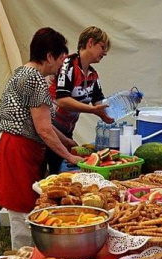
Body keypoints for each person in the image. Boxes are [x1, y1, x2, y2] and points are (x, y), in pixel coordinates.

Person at [0, 27, 82, 249]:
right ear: (50, 56)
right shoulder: (35, 80)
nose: (61, 65)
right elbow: (43, 130)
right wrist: (69, 156)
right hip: (15, 148)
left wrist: (68, 141)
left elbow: (43, 123)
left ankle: (29, 255)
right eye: (60, 59)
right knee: (22, 213)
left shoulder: (24, 72)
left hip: (14, 144)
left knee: (26, 208)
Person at [48, 26, 114, 173]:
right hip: (50, 128)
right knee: (50, 173)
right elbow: (62, 100)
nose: (105, 53)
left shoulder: (92, 74)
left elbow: (99, 102)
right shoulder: (68, 64)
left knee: (59, 172)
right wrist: (92, 110)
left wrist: (118, 108)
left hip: (67, 130)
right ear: (90, 42)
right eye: (102, 47)